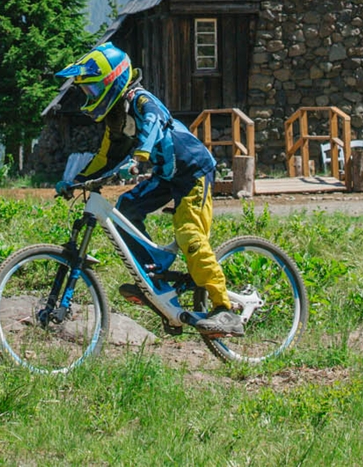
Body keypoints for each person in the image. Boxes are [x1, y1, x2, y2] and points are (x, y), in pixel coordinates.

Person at [54, 42, 243, 337]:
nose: (88, 97)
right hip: (167, 175)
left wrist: (141, 152)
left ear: (112, 81)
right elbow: (105, 157)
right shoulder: (115, 119)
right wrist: (76, 180)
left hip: (193, 171)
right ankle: (153, 275)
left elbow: (154, 123)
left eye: (91, 90)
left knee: (189, 235)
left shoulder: (140, 100)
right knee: (127, 209)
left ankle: (225, 310)